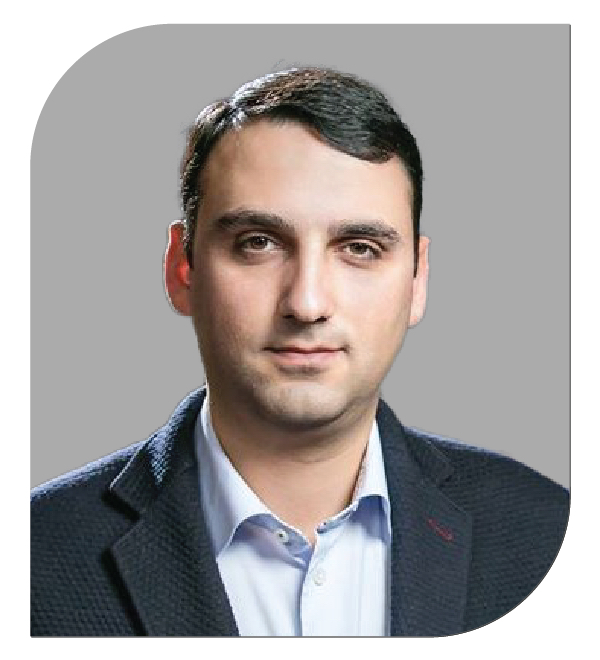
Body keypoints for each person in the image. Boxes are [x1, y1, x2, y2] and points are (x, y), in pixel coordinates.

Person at [30, 66, 569, 637]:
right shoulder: (29, 560)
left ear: (417, 280)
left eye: (360, 248)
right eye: (258, 243)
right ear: (181, 268)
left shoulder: (551, 537)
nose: (307, 304)